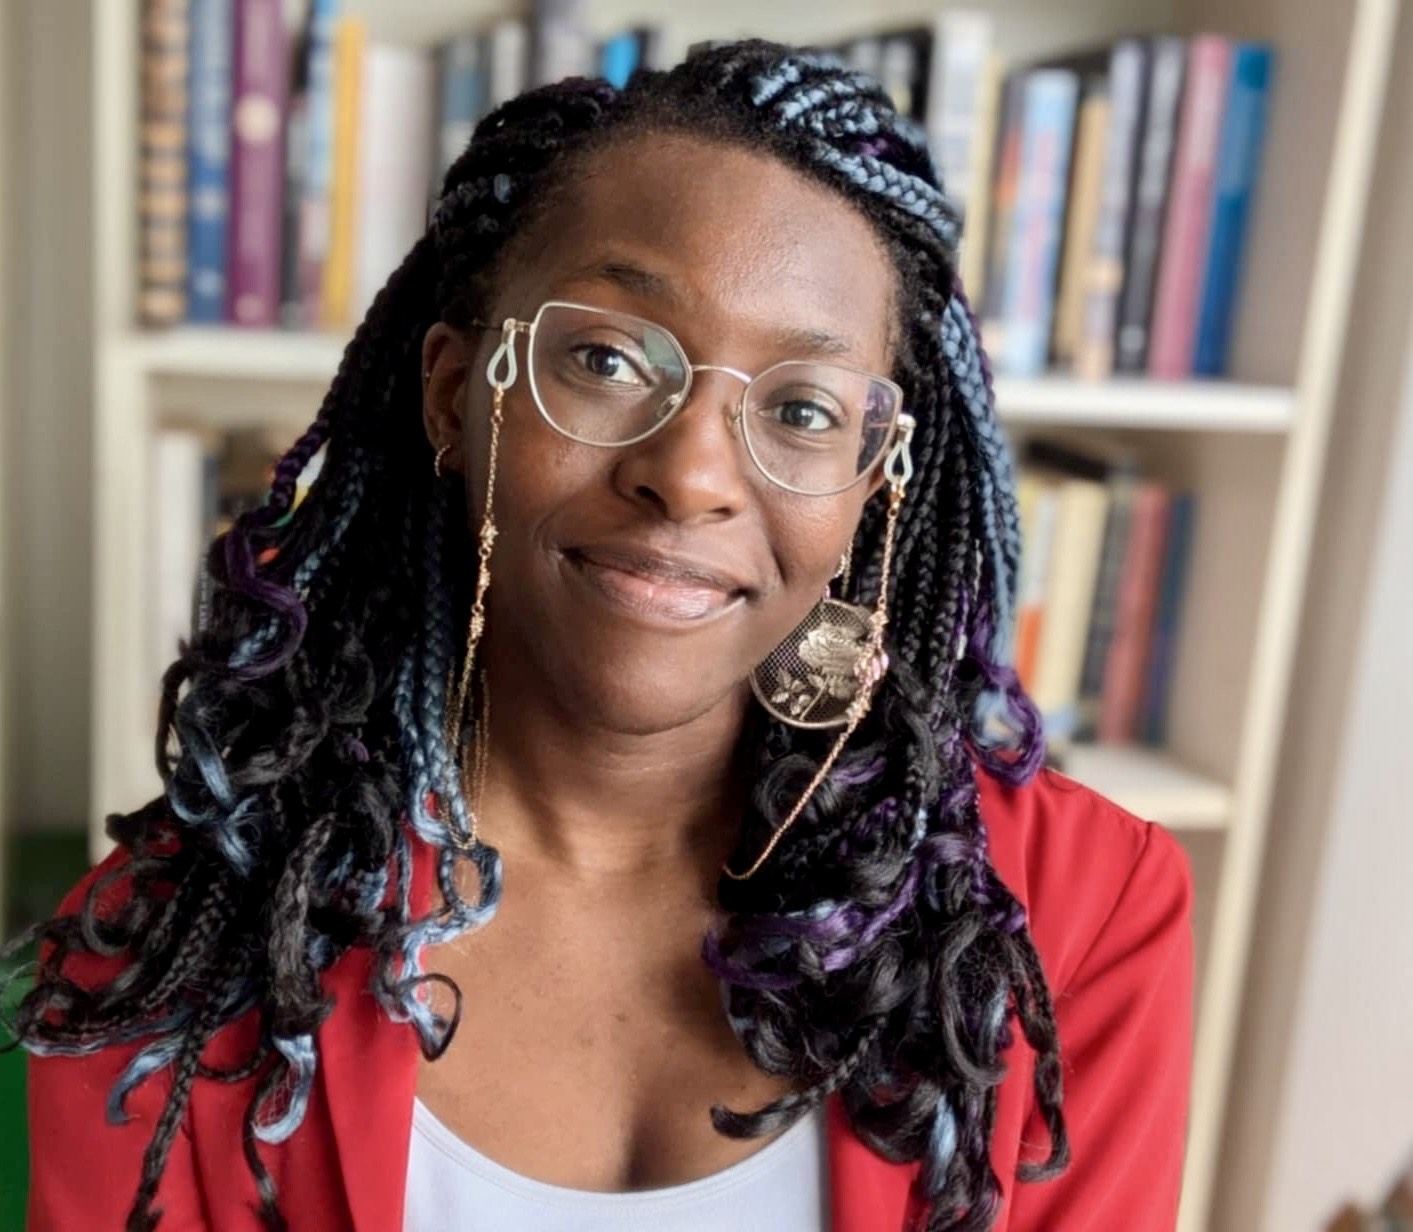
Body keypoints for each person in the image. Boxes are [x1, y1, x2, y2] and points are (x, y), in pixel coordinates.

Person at [9, 40, 1193, 1232]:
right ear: (454, 394)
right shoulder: (179, 945)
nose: (691, 474)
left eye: (801, 406)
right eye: (608, 358)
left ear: (874, 482)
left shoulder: (1078, 917)